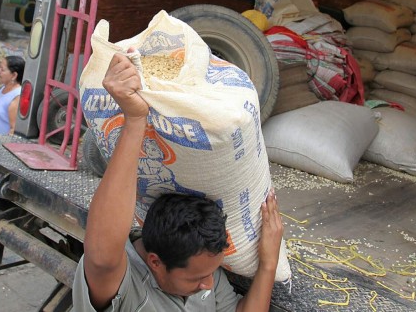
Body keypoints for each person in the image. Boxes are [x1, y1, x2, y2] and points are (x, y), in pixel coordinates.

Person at [72, 52, 284, 311]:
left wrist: (268, 264)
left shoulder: (204, 269)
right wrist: (136, 119)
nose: (208, 284)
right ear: (155, 262)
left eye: (210, 274)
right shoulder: (128, 285)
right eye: (196, 278)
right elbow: (102, 258)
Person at [0, 55, 25, 135]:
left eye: (2, 69)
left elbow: (13, 129)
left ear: (14, 75)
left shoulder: (16, 97)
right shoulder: (3, 88)